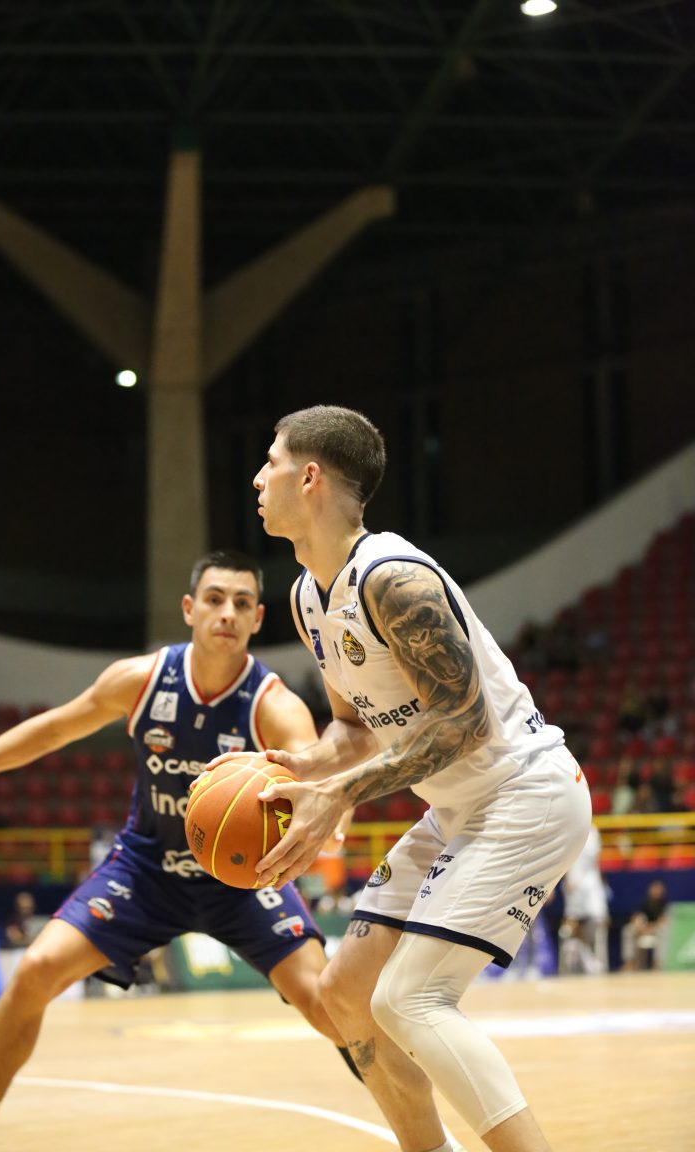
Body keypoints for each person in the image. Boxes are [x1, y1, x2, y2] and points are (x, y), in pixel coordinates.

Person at [0, 549, 360, 1152]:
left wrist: (333, 820)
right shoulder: (142, 681)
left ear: (258, 618)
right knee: (33, 971)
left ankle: (428, 1136)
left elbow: (322, 775)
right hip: (146, 870)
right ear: (188, 608)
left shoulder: (273, 704)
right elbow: (54, 729)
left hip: (241, 882)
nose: (227, 613)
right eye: (214, 599)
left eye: (241, 603)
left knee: (330, 1006)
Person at [245, 405, 592, 1152]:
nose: (257, 478)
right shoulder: (309, 597)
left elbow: (465, 723)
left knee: (411, 999)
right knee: (346, 995)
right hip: (458, 809)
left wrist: (338, 793)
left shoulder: (393, 579)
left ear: (310, 477)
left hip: (525, 793)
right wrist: (306, 766)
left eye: (270, 462)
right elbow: (354, 727)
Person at [558, 823, 609, 974]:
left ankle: (599, 963)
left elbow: (595, 861)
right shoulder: (569, 826)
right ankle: (569, 967)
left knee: (599, 922)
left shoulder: (594, 831)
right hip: (574, 879)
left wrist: (600, 883)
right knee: (571, 926)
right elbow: (565, 855)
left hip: (591, 882)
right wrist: (567, 877)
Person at [621, 879, 669, 970]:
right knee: (627, 930)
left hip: (656, 929)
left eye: (658, 890)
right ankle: (629, 962)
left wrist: (651, 928)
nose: (656, 892)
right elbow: (635, 917)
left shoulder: (665, 905)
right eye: (654, 890)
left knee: (664, 930)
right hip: (643, 929)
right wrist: (641, 927)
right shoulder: (644, 903)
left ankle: (657, 963)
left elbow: (663, 921)